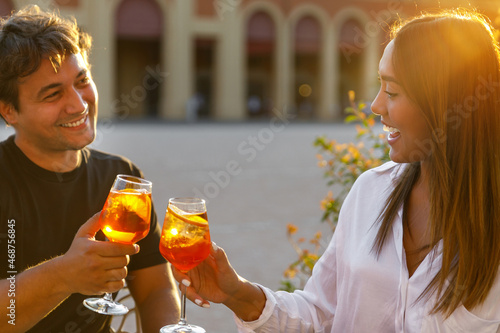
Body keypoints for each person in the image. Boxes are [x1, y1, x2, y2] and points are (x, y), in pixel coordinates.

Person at [171, 9, 500, 332]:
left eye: (392, 91)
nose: (375, 106)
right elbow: (319, 314)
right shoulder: (371, 192)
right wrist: (237, 293)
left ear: (445, 102)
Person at [0, 6, 180, 333]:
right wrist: (63, 275)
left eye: (82, 81)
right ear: (9, 110)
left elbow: (156, 289)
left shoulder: (122, 179)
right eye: (53, 94)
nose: (79, 105)